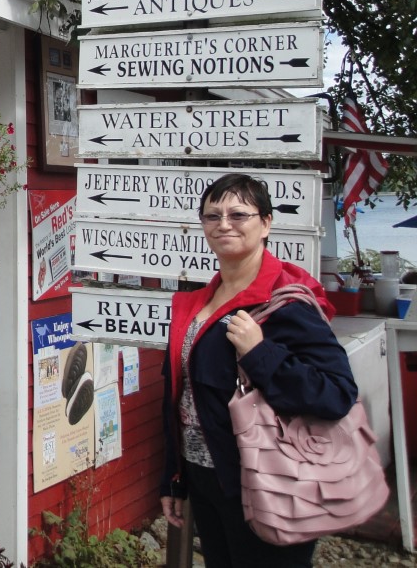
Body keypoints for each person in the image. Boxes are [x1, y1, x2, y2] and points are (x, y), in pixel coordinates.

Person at [160, 173, 358, 568]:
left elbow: (337, 393)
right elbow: (179, 396)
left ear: (265, 222)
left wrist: (260, 354)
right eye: (212, 216)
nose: (223, 225)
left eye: (238, 214)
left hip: (273, 485)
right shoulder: (199, 302)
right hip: (205, 477)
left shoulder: (287, 303)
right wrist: (173, 478)